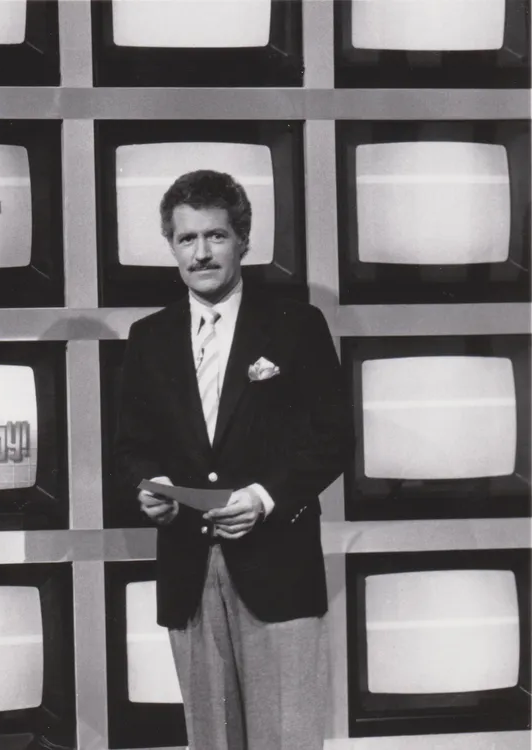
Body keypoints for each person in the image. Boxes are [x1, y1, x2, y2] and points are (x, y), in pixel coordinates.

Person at [113, 170, 353, 750]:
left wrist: (264, 498)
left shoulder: (297, 325)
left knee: (287, 740)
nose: (201, 253)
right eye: (187, 239)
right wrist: (151, 486)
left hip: (278, 566)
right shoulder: (148, 337)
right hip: (188, 570)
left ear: (243, 240)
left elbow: (333, 436)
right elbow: (130, 445)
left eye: (216, 236)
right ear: (171, 246)